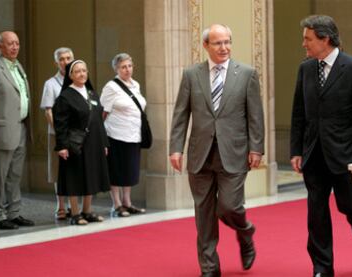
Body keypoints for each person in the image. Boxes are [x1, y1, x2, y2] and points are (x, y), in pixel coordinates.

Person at [169, 24, 264, 277]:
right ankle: (209, 268)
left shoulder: (246, 74)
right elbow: (181, 114)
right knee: (204, 214)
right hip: (200, 154)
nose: (224, 47)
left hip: (234, 153)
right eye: (218, 43)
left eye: (227, 42)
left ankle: (246, 232)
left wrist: (257, 148)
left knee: (229, 207)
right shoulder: (191, 75)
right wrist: (176, 148)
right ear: (206, 46)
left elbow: (256, 115)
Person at [290, 15, 352, 277]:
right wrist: (296, 150)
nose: (303, 44)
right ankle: (322, 267)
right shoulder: (305, 69)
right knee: (316, 212)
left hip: (346, 154)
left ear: (324, 39)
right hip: (314, 153)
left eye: (307, 39)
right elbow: (298, 113)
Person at [52, 60, 110, 225]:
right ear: (70, 75)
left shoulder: (91, 93)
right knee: (74, 177)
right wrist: (62, 146)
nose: (82, 74)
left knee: (90, 176)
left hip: (94, 143)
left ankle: (87, 210)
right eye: (77, 71)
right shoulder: (65, 96)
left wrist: (104, 143)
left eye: (84, 70)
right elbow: (60, 124)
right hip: (74, 144)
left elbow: (99, 120)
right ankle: (75, 213)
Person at [0, 31, 35, 230]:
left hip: (20, 127)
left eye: (17, 43)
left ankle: (14, 212)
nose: (15, 47)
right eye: (10, 44)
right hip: (1, 131)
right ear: (0, 47)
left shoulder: (18, 67)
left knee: (15, 175)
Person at [100, 53, 147, 217]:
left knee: (130, 169)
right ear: (116, 69)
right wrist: (102, 139)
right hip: (115, 134)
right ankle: (117, 204)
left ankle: (127, 202)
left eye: (129, 66)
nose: (127, 70)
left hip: (133, 134)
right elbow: (102, 114)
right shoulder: (111, 87)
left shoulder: (135, 85)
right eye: (123, 67)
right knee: (116, 170)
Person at [40, 47, 74, 220]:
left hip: (76, 134)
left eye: (68, 58)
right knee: (58, 170)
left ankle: (75, 206)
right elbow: (48, 112)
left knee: (74, 169)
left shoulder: (79, 80)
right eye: (61, 59)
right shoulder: (51, 84)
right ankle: (61, 205)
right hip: (58, 134)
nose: (65, 62)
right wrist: (61, 133)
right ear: (56, 62)